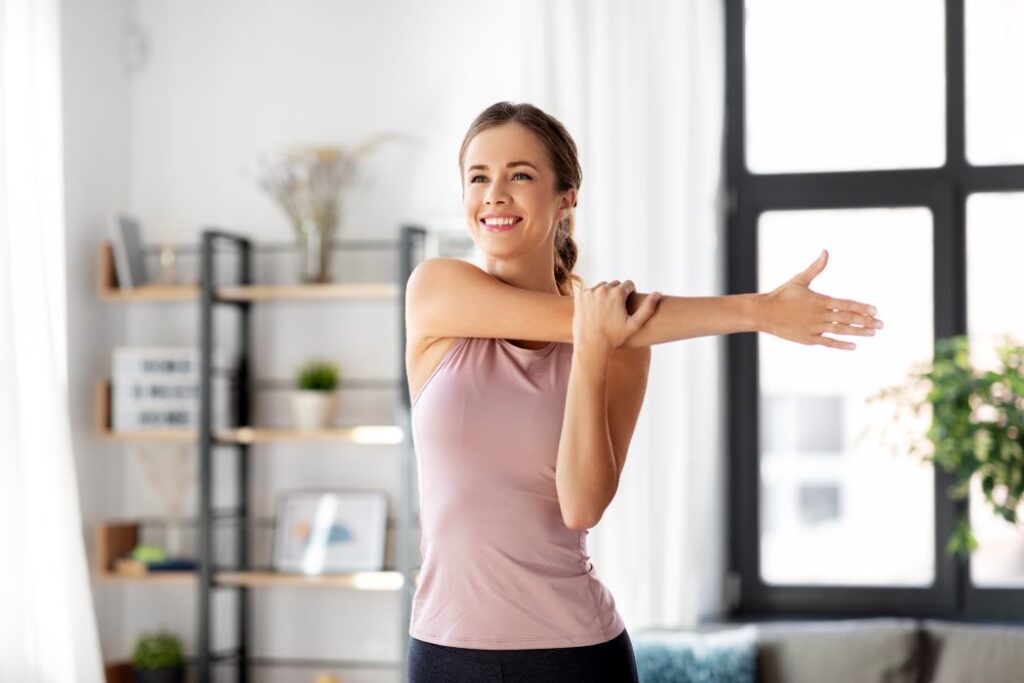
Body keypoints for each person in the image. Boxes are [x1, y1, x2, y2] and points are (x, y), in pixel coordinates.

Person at [403, 101, 883, 682]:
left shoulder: (624, 347)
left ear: (565, 199)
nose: (495, 193)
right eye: (478, 177)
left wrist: (594, 351)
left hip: (577, 656)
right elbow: (581, 319)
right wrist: (759, 310)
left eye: (520, 175)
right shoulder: (436, 293)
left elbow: (582, 506)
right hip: (444, 653)